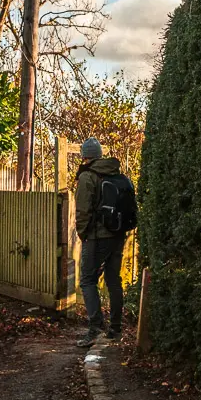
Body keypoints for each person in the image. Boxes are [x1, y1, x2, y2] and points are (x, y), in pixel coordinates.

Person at [74, 137, 136, 348]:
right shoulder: (117, 174)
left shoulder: (88, 176)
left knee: (87, 280)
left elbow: (83, 210)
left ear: (85, 156)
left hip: (97, 236)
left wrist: (83, 234)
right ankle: (116, 328)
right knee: (113, 279)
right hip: (118, 234)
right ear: (100, 154)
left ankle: (95, 328)